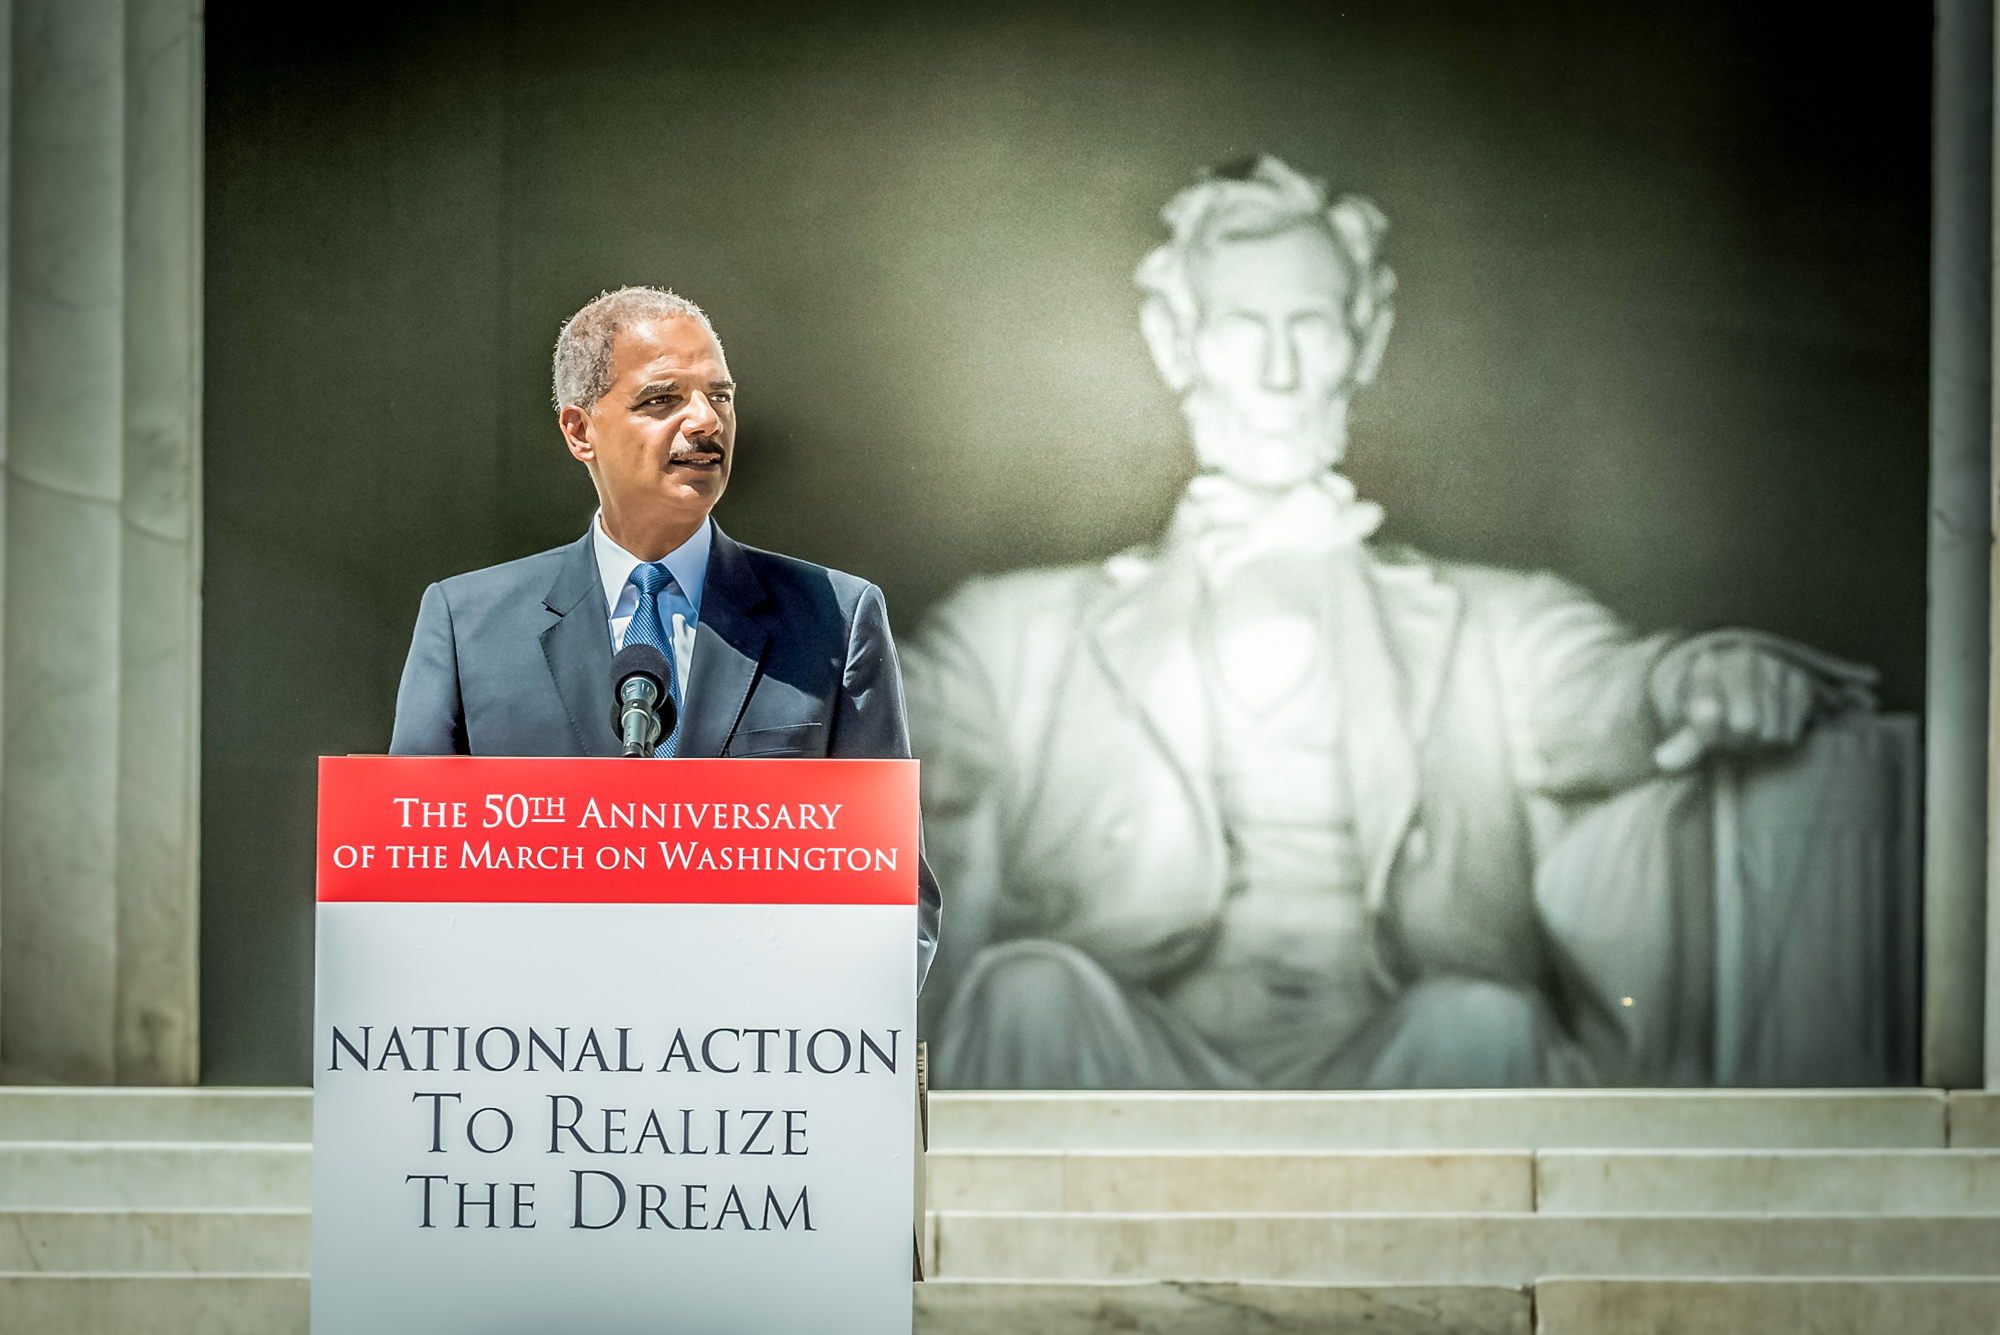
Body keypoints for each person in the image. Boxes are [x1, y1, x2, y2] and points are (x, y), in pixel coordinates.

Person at [903, 156, 1873, 1088]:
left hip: (1399, 1062)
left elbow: (1607, 693)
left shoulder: (1499, 626)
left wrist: (1687, 681)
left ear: (1363, 338)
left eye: (1312, 325)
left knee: (1483, 1024)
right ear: (1175, 339)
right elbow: (868, 718)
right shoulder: (1012, 635)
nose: (1278, 371)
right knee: (1023, 995)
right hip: (1112, 1055)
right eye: (1243, 326)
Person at [390, 285, 940, 988]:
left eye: (721, 395)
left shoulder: (835, 618)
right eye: (662, 399)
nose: (705, 421)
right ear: (579, 430)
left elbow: (893, 905)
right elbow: (407, 888)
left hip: (756, 1069)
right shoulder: (466, 626)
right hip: (539, 1068)